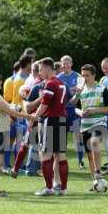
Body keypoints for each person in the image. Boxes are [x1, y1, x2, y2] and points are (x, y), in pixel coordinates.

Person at [0, 73, 34, 197]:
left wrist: (16, 107)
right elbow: (10, 111)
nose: (1, 83)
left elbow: (7, 107)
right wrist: (30, 116)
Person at [70, 64, 108, 187]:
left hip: (99, 123)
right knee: (89, 155)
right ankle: (96, 182)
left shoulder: (102, 89)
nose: (84, 78)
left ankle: (98, 172)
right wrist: (80, 112)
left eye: (87, 75)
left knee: (94, 143)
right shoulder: (81, 91)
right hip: (85, 125)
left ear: (94, 75)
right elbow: (73, 107)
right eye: (83, 76)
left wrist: (94, 111)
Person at [33, 57, 69, 196]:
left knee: (46, 155)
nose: (40, 72)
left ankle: (48, 188)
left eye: (41, 69)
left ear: (48, 68)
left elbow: (44, 105)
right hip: (62, 119)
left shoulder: (50, 84)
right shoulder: (62, 83)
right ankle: (63, 189)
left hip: (51, 120)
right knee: (61, 155)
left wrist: (33, 119)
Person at [4, 55, 32, 173]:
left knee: (12, 141)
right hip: (20, 113)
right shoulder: (23, 79)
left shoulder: (15, 78)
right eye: (31, 63)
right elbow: (20, 97)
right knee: (18, 141)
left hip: (14, 111)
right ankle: (17, 166)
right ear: (28, 64)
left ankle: (8, 165)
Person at [57, 55, 85, 169]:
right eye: (63, 63)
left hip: (74, 110)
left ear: (71, 64)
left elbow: (81, 90)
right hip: (62, 110)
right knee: (62, 136)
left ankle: (80, 160)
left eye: (67, 63)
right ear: (61, 64)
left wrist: (70, 89)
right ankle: (62, 161)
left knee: (78, 135)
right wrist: (72, 89)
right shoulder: (58, 77)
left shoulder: (78, 76)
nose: (65, 65)